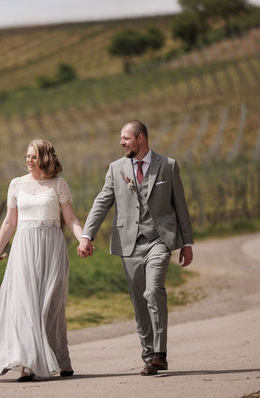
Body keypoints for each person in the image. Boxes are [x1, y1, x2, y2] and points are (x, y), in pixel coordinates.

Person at [0, 139, 83, 382]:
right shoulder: (16, 184)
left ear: (45, 158)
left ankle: (61, 360)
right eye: (27, 156)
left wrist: (83, 239)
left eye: (34, 156)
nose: (29, 160)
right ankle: (27, 363)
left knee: (51, 306)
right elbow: (9, 222)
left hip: (52, 248)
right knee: (26, 305)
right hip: (24, 249)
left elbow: (70, 219)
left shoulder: (58, 184)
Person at [78, 120, 193, 376]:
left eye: (126, 138)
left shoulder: (168, 166)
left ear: (141, 138)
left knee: (153, 292)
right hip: (129, 244)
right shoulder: (116, 169)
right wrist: (87, 235)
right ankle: (149, 354)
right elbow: (102, 202)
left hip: (160, 240)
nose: (121, 143)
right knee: (138, 303)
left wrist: (186, 242)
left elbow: (180, 206)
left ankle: (160, 354)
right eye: (121, 139)